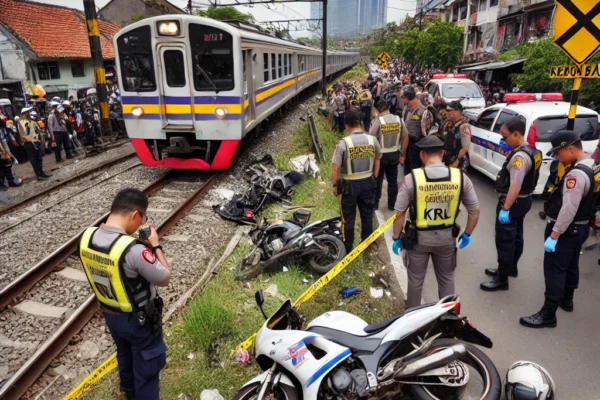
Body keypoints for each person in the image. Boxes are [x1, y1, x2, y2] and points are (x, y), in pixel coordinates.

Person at [78, 188, 171, 399]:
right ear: (135, 215)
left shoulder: (86, 237)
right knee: (147, 366)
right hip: (139, 320)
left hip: (111, 314)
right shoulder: (133, 250)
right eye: (142, 219)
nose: (140, 224)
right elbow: (164, 277)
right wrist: (155, 245)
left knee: (125, 356)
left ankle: (130, 394)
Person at [520, 131, 599, 328]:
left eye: (558, 153)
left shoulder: (575, 175)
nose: (556, 157)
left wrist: (554, 235)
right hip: (580, 228)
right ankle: (567, 299)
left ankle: (548, 314)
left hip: (566, 229)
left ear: (569, 149)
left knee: (554, 269)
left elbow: (568, 209)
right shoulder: (592, 165)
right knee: (571, 263)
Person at [392, 135, 480, 308]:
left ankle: (412, 318)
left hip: (418, 239)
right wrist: (467, 234)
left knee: (416, 280)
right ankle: (447, 318)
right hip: (447, 238)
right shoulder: (460, 178)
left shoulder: (412, 179)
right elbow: (474, 211)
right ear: (442, 153)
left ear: (422, 155)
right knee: (447, 279)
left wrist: (396, 237)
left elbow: (400, 213)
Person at [480, 119, 542, 291]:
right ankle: (510, 268)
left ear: (516, 134)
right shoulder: (532, 151)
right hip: (524, 201)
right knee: (516, 235)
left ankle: (502, 279)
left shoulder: (520, 157)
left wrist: (506, 208)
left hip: (513, 202)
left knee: (505, 239)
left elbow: (515, 185)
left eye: (505, 137)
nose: (503, 141)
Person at [332, 107, 381, 253]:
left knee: (348, 219)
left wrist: (335, 186)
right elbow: (378, 159)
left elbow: (335, 168)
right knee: (367, 216)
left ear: (346, 125)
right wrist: (374, 177)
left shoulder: (343, 144)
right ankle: (365, 246)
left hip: (349, 186)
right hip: (368, 183)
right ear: (360, 122)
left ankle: (347, 249)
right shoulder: (372, 140)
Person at [369, 99, 407, 210]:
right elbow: (406, 136)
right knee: (392, 180)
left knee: (378, 179)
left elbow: (371, 137)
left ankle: (375, 203)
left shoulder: (378, 121)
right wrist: (402, 153)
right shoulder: (398, 119)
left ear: (378, 109)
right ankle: (392, 203)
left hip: (381, 156)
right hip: (394, 154)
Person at [400, 85, 431, 175]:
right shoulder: (406, 109)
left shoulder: (424, 112)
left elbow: (425, 133)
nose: (402, 100)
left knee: (417, 173)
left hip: (418, 146)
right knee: (407, 172)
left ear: (408, 97)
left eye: (403, 97)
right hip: (407, 144)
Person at [18, 107, 51, 181]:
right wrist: (31, 140)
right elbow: (22, 136)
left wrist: (39, 139)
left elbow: (38, 131)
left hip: (36, 142)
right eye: (27, 112)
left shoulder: (32, 122)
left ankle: (41, 172)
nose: (29, 113)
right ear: (24, 113)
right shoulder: (21, 123)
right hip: (28, 143)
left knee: (39, 157)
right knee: (33, 159)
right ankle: (38, 175)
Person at [442, 101, 471, 169]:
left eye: (449, 111)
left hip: (457, 160)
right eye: (446, 111)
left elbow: (465, 148)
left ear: (457, 111)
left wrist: (457, 161)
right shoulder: (450, 123)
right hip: (448, 158)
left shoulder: (463, 126)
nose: (447, 113)